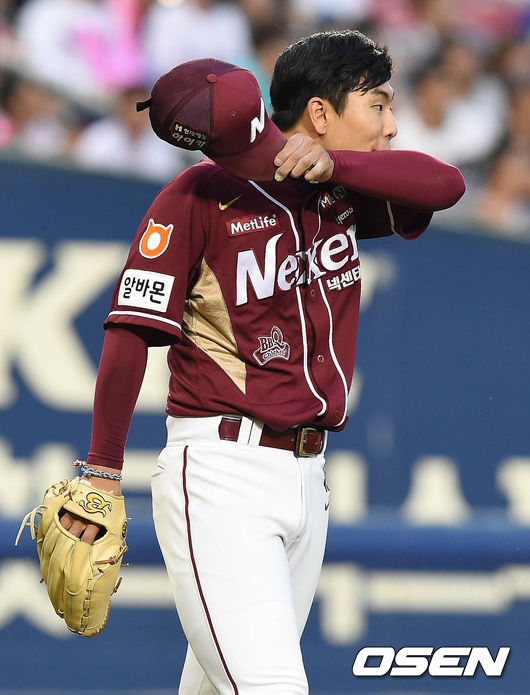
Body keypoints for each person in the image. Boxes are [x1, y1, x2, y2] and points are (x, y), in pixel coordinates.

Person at [59, 30, 465, 695]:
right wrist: (102, 469)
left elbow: (445, 185)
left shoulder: (338, 189)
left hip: (308, 475)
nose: (390, 125)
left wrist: (337, 166)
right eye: (378, 106)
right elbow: (130, 332)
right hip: (222, 473)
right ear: (321, 113)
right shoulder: (192, 197)